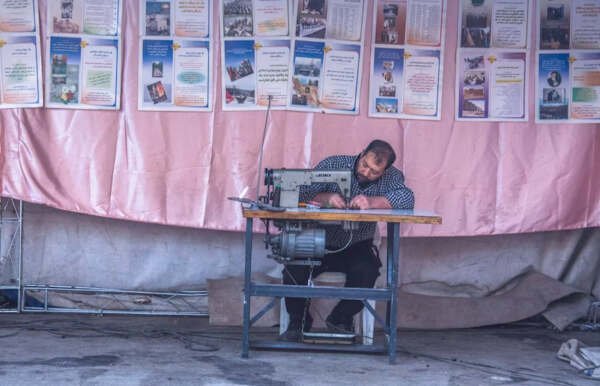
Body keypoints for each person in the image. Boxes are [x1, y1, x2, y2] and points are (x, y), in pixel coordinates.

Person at [280, 139, 415, 341]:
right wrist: (325, 198)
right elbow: (299, 190)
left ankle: (341, 317)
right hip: (319, 240)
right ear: (361, 155)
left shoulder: (393, 177)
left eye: (375, 172)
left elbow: (407, 198)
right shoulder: (334, 165)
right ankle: (297, 321)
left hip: (356, 244)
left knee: (367, 269)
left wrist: (373, 202)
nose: (366, 173)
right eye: (364, 165)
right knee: (295, 265)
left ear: (384, 172)